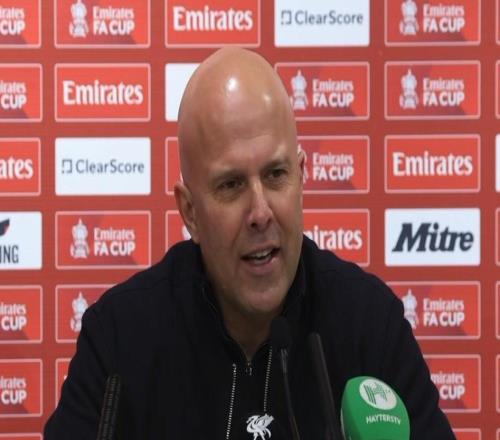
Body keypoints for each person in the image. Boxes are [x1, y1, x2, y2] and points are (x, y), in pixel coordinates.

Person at [44, 48, 455, 439]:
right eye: (231, 185)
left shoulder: (369, 323)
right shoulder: (120, 338)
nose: (260, 212)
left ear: (301, 176)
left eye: (276, 175)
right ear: (190, 211)